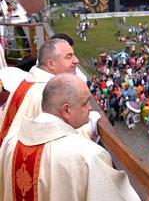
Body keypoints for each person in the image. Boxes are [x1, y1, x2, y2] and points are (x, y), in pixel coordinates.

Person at [0, 73, 140, 201]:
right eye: (85, 103)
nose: (90, 108)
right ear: (66, 110)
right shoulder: (87, 156)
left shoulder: (10, 142)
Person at [0, 39, 99, 146]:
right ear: (51, 64)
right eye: (69, 57)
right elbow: (60, 140)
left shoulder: (26, 82)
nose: (76, 60)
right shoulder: (48, 93)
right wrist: (92, 123)